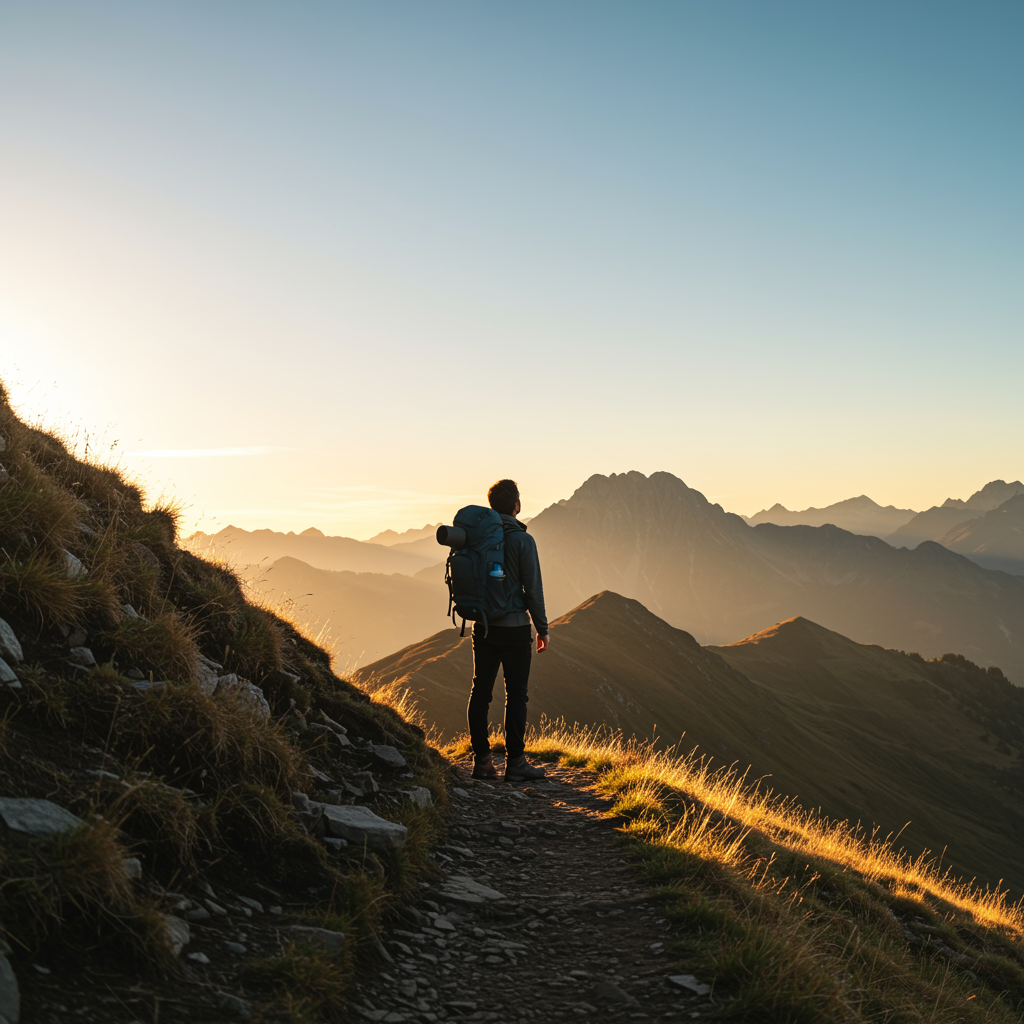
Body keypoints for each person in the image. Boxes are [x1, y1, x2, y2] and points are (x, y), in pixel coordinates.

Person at [468, 479, 550, 783]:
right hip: (515, 629)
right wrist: (542, 629)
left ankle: (482, 762)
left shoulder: (477, 539)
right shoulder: (522, 540)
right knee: (516, 694)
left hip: (484, 626)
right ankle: (515, 763)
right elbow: (533, 591)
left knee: (480, 692)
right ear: (516, 505)